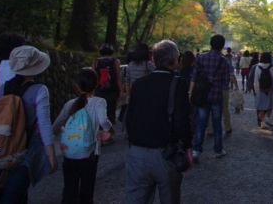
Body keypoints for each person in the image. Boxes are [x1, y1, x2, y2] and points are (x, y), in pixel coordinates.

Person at [0, 45, 57, 202]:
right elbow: (44, 125)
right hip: (25, 151)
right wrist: (51, 155)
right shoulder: (40, 90)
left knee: (9, 191)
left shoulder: (4, 88)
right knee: (14, 194)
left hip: (3, 147)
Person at [125, 40, 192, 204]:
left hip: (137, 153)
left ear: (153, 60)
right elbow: (181, 121)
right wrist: (188, 148)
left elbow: (129, 117)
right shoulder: (178, 83)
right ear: (176, 59)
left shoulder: (139, 84)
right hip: (165, 154)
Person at [52, 68, 113, 204]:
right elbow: (103, 121)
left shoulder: (70, 104)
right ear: (96, 84)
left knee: (69, 188)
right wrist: (110, 130)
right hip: (91, 153)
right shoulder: (99, 102)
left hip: (70, 151)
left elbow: (56, 126)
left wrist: (56, 135)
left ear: (77, 86)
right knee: (87, 189)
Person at [190, 35, 230, 162]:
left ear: (210, 44)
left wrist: (190, 92)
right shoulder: (224, 61)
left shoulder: (201, 58)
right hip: (216, 96)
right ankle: (218, 150)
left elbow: (194, 77)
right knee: (217, 123)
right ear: (222, 46)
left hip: (202, 96)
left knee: (201, 123)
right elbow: (225, 82)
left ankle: (196, 150)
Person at [206, 45, 238, 136]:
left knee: (210, 110)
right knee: (225, 109)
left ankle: (210, 130)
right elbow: (231, 75)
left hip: (208, 89)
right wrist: (236, 86)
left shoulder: (202, 58)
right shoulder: (225, 61)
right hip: (223, 89)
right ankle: (227, 127)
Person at [92, 44, 122, 126]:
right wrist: (120, 91)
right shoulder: (115, 61)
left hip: (99, 90)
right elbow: (118, 77)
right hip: (112, 90)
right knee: (111, 111)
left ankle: (100, 132)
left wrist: (92, 91)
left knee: (100, 111)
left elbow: (93, 77)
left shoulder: (96, 61)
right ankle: (108, 134)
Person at [253, 52, 273, 129]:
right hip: (270, 90)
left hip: (260, 90)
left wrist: (256, 91)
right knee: (269, 106)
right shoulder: (272, 67)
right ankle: (267, 118)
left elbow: (256, 80)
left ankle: (262, 122)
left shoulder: (258, 67)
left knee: (261, 107)